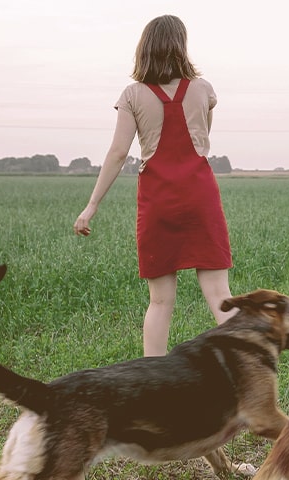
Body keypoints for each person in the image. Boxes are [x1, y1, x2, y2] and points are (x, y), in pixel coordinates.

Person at [73, 14, 235, 357]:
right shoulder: (204, 89)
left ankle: (153, 386)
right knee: (221, 295)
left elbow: (118, 153)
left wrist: (92, 205)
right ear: (181, 46)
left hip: (158, 201)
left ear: (144, 48)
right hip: (200, 196)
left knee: (160, 302)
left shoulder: (132, 95)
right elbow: (204, 138)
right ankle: (249, 374)